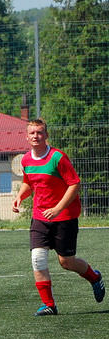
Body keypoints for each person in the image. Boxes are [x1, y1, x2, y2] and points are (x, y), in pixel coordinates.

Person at [12, 118, 104, 316]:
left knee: (66, 262)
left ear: (46, 135)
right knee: (37, 258)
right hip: (40, 217)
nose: (36, 136)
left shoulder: (58, 157)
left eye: (39, 132)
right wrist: (20, 197)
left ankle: (94, 277)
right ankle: (49, 305)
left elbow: (74, 184)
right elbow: (29, 182)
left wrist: (58, 208)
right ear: (27, 137)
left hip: (65, 217)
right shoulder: (26, 160)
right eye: (32, 133)